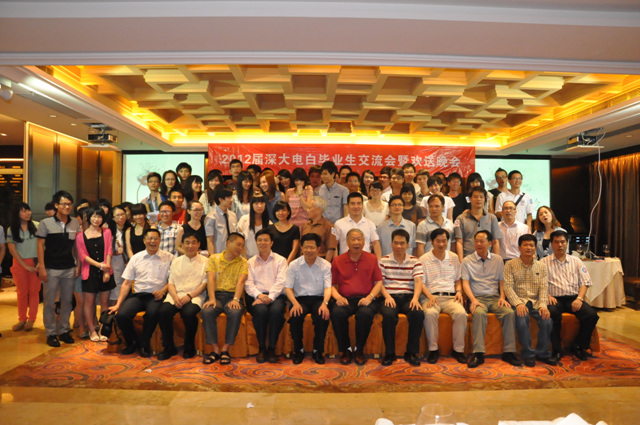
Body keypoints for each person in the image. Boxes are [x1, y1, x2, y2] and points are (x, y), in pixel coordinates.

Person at [109, 228, 174, 357]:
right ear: (144, 240)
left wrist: (163, 291)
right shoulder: (136, 258)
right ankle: (132, 342)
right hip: (138, 295)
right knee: (122, 315)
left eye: (155, 238)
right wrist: (118, 304)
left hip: (156, 295)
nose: (152, 241)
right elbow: (126, 283)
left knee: (152, 313)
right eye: (149, 238)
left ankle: (144, 344)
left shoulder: (169, 258)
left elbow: (172, 281)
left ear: (160, 240)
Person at [462, 230, 521, 368]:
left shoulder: (498, 259)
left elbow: (502, 281)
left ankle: (509, 352)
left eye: (482, 241)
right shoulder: (467, 260)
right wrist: (473, 300)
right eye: (476, 241)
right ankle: (478, 354)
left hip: (495, 297)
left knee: (509, 313)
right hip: (477, 298)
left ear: (489, 243)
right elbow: (465, 283)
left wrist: (502, 297)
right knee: (479, 313)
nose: (478, 244)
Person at [542, 230, 599, 362]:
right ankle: (557, 350)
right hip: (554, 299)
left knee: (591, 315)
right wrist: (547, 295)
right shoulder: (543, 263)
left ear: (567, 243)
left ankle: (579, 346)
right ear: (551, 244)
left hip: (574, 298)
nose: (560, 245)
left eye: (563, 242)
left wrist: (579, 298)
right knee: (552, 314)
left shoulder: (576, 261)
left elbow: (585, 282)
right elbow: (539, 284)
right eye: (556, 242)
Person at [330, 228, 383, 365]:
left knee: (364, 315)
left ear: (364, 242)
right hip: (345, 298)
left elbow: (378, 282)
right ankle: (346, 349)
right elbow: (331, 285)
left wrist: (370, 297)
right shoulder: (338, 260)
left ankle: (359, 350)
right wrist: (338, 298)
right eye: (353, 239)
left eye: (359, 239)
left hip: (366, 298)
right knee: (337, 313)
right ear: (347, 242)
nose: (356, 242)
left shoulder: (372, 258)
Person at [503, 234, 557, 367]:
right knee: (522, 319)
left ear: (535, 248)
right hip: (519, 301)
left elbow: (544, 287)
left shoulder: (541, 266)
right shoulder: (510, 264)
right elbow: (508, 287)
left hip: (536, 302)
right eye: (525, 245)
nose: (529, 248)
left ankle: (542, 353)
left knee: (547, 320)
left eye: (531, 245)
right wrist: (518, 304)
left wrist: (543, 305)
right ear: (519, 248)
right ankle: (528, 354)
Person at [37, 191, 81, 347]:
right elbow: (40, 245)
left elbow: (76, 246)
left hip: (69, 268)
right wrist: (42, 267)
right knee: (49, 302)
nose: (67, 207)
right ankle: (51, 333)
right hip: (51, 268)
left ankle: (63, 330)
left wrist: (78, 264)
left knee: (67, 301)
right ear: (56, 205)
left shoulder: (74, 223)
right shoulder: (45, 223)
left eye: (69, 204)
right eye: (63, 204)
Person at [157, 232, 208, 360]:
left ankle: (189, 346)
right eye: (187, 243)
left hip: (195, 296)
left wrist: (189, 296)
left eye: (194, 243)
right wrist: (175, 297)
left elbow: (204, 284)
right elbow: (171, 282)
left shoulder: (206, 261)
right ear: (182, 245)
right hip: (176, 295)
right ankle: (169, 347)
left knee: (189, 313)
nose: (190, 246)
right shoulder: (176, 261)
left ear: (199, 244)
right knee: (163, 311)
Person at [420, 228, 467, 364]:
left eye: (444, 241)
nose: (441, 244)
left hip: (450, 297)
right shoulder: (424, 259)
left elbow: (457, 280)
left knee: (461, 314)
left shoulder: (454, 257)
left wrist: (459, 291)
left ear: (448, 241)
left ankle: (458, 350)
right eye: (438, 241)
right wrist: (429, 296)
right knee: (430, 314)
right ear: (432, 242)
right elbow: (421, 283)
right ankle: (433, 350)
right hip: (431, 297)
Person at [201, 233, 248, 365]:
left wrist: (236, 299)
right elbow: (210, 279)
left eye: (243, 246)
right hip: (216, 295)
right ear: (228, 243)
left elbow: (241, 282)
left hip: (232, 296)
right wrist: (211, 298)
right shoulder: (214, 259)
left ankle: (225, 350)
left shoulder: (243, 262)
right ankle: (215, 350)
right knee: (207, 311)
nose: (240, 248)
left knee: (235, 312)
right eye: (238, 244)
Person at [378, 229, 424, 367]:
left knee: (418, 313)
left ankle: (411, 352)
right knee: (388, 315)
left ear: (408, 244)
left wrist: (415, 298)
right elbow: (379, 283)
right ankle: (389, 353)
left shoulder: (415, 261)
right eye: (396, 243)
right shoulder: (383, 261)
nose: (399, 246)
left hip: (408, 297)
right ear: (391, 244)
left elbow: (418, 282)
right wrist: (387, 296)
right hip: (389, 297)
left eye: (402, 243)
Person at [285, 233, 332, 364]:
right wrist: (294, 303)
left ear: (318, 248)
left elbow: (328, 287)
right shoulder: (294, 265)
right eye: (306, 247)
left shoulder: (325, 265)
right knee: (295, 315)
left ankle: (318, 351)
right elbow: (288, 288)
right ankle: (298, 350)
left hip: (319, 299)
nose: (309, 250)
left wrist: (325, 303)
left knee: (322, 315)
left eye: (312, 247)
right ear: (301, 247)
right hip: (300, 299)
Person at [245, 229, 289, 363]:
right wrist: (259, 295)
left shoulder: (281, 260)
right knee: (261, 312)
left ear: (271, 243)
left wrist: (270, 297)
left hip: (276, 295)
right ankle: (262, 348)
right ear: (256, 242)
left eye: (266, 240)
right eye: (259, 240)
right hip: (257, 297)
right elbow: (248, 283)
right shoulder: (250, 262)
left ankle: (272, 348)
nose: (262, 243)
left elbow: (281, 282)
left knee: (276, 312)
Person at [75, 207, 115, 342]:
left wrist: (106, 270)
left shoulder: (107, 232)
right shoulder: (80, 236)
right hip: (89, 272)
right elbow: (83, 256)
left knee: (104, 302)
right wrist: (100, 265)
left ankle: (103, 329)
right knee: (89, 302)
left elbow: (109, 250)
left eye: (99, 216)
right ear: (88, 217)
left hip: (106, 271)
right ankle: (92, 330)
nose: (96, 219)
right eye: (93, 216)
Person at [8, 202, 40, 332]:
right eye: (23, 211)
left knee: (34, 292)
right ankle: (22, 319)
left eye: (28, 210)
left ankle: (32, 319)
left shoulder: (37, 226)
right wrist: (25, 266)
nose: (27, 213)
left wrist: (40, 262)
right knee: (21, 292)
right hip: (19, 263)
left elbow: (43, 245)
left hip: (36, 263)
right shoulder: (11, 229)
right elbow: (12, 249)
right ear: (17, 213)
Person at [454, 186, 501, 261]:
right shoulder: (461, 219)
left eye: (481, 197)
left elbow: (495, 242)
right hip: (468, 259)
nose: (479, 199)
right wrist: (461, 261)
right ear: (470, 199)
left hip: (488, 260)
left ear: (485, 199)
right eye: (475, 197)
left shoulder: (492, 218)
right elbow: (459, 242)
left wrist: (496, 261)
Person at [333, 192, 381, 258]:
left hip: (366, 261)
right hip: (345, 261)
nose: (356, 207)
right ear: (348, 205)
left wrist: (379, 260)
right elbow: (334, 245)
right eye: (353, 204)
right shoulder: (338, 224)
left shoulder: (370, 224)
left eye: (359, 203)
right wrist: (336, 261)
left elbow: (375, 243)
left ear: (362, 205)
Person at [301, 196, 337, 262]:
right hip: (304, 260)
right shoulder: (305, 225)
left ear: (318, 210)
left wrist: (325, 264)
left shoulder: (330, 227)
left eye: (309, 208)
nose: (307, 210)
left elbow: (331, 248)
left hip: (321, 260)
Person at [107, 204, 130, 306]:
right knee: (116, 292)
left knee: (126, 291)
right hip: (115, 265)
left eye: (122, 214)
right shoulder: (109, 231)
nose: (121, 217)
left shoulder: (130, 229)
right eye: (118, 215)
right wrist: (116, 252)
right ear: (113, 218)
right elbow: (105, 250)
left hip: (128, 265)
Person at [205, 186, 238, 255]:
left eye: (231, 197)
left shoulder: (233, 215)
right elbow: (210, 240)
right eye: (229, 197)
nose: (232, 200)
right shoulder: (211, 217)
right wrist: (212, 257)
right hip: (218, 255)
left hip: (233, 254)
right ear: (221, 199)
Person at [237, 195, 271, 259]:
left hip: (263, 258)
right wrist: (245, 258)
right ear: (251, 204)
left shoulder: (269, 223)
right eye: (256, 203)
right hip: (246, 258)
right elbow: (240, 241)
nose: (259, 206)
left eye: (262, 203)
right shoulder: (244, 220)